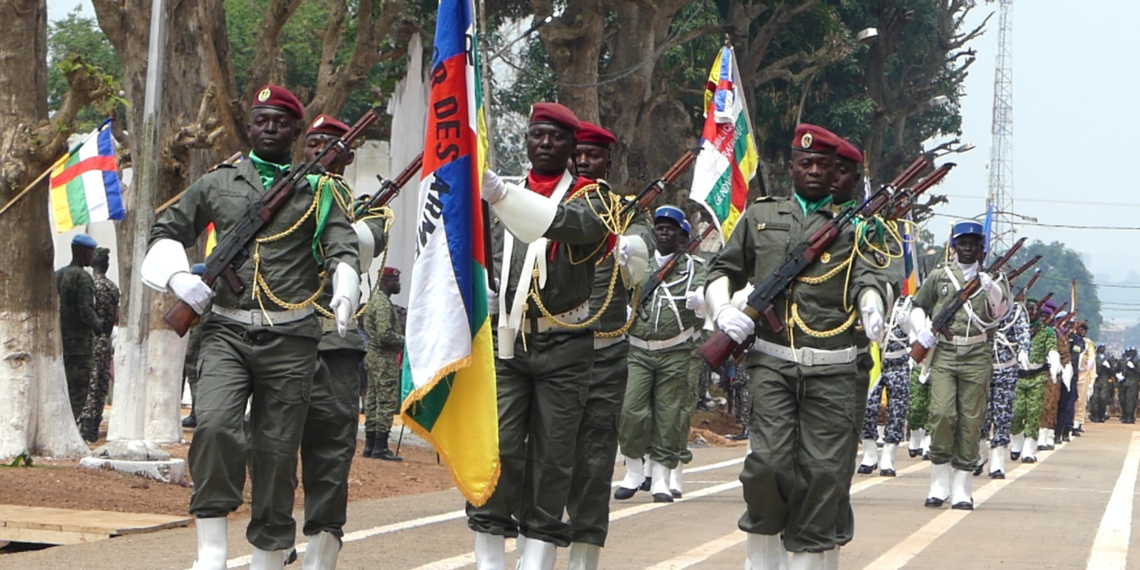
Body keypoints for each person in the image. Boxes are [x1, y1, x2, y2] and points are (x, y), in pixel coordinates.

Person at [140, 85, 360, 570]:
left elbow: (344, 244)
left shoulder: (320, 189)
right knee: (216, 426)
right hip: (225, 331)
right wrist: (179, 276)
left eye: (281, 122)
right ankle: (212, 552)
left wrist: (346, 281)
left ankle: (267, 553)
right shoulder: (218, 181)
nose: (270, 128)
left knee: (276, 451)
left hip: (292, 336)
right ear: (249, 125)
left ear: (296, 131)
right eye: (261, 120)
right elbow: (165, 230)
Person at [705, 124, 894, 569]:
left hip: (834, 366)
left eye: (823, 166)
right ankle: (762, 556)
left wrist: (872, 305)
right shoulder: (760, 216)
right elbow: (722, 268)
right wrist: (722, 311)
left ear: (835, 174)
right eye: (804, 163)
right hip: (772, 363)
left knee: (824, 472)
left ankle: (809, 559)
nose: (813, 171)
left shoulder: (858, 228)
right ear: (788, 167)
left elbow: (874, 277)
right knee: (768, 464)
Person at [469, 103, 619, 570]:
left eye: (556, 137)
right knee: (500, 448)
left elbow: (576, 228)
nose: (545, 144)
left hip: (565, 344)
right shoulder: (500, 191)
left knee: (555, 457)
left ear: (573, 148)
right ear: (527, 141)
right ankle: (491, 555)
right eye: (538, 135)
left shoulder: (592, 197)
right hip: (507, 340)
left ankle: (536, 560)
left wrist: (500, 197)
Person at [295, 114, 392, 569]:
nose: (319, 152)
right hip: (281, 337)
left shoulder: (367, 210)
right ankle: (273, 538)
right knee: (269, 446)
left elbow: (358, 244)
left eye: (330, 145)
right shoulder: (281, 199)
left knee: (331, 450)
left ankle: (322, 548)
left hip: (333, 345)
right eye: (312, 144)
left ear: (347, 155)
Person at [563, 121, 653, 570]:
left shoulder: (625, 210)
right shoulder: (549, 203)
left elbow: (645, 248)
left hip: (605, 350)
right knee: (545, 452)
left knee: (595, 457)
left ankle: (583, 556)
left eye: (592, 156)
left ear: (608, 163)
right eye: (577, 154)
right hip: (553, 349)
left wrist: (630, 248)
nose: (582, 161)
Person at [911, 220, 1008, 510]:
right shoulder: (940, 276)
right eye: (962, 243)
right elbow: (917, 304)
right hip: (943, 353)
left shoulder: (994, 279)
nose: (968, 249)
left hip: (976, 354)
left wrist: (990, 289)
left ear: (982, 248)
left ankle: (962, 486)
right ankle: (938, 481)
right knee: (941, 413)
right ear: (954, 247)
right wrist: (921, 330)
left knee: (970, 419)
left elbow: (1001, 311)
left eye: (973, 244)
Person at [613, 205, 706, 503]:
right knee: (631, 411)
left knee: (669, 416)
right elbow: (621, 290)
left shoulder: (695, 268)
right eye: (660, 227)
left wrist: (701, 304)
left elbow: (708, 307)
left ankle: (663, 479)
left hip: (675, 351)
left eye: (671, 228)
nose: (664, 232)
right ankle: (634, 470)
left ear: (681, 236)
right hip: (639, 350)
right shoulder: (639, 263)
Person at [858, 296, 914, 477]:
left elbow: (916, 333)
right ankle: (870, 452)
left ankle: (888, 456)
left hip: (898, 362)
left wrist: (907, 323)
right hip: (873, 362)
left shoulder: (906, 304)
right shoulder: (870, 300)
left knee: (897, 411)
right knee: (867, 407)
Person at [981, 287, 1030, 479]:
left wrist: (1024, 350)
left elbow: (1023, 333)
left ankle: (998, 460)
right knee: (978, 414)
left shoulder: (1015, 312)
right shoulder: (979, 308)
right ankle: (979, 452)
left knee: (1002, 415)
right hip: (981, 369)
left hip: (1006, 369)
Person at [56, 233, 102, 423]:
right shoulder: (83, 278)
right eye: (91, 253)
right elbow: (85, 310)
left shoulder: (58, 274)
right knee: (78, 390)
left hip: (60, 342)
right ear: (83, 253)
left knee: (61, 386)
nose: (92, 257)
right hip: (80, 346)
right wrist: (99, 326)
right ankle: (71, 425)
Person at [1010, 300, 1060, 463]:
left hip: (1038, 375)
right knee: (1017, 411)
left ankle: (1029, 449)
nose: (1031, 314)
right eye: (1028, 311)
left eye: (1033, 311)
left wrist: (1054, 361)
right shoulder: (1015, 330)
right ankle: (1016, 440)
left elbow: (1052, 347)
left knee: (1034, 412)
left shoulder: (1047, 332)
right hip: (1018, 375)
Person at [362, 267, 405, 461]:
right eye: (396, 281)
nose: (399, 285)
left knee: (372, 401)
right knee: (385, 401)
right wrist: (406, 342)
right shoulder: (383, 305)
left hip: (373, 357)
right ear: (387, 282)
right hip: (383, 358)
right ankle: (380, 446)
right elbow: (384, 334)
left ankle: (370, 445)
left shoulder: (375, 300)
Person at [78, 247, 120, 442]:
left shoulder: (90, 285)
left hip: (90, 340)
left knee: (88, 382)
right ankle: (94, 424)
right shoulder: (113, 287)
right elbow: (116, 315)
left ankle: (85, 424)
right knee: (100, 383)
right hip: (106, 339)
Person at [182, 263, 208, 429]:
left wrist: (190, 347)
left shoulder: (200, 296)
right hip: (204, 343)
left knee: (195, 379)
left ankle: (197, 414)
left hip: (199, 345)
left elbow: (198, 326)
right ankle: (196, 413)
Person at [1073, 324, 1095, 434]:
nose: (1083, 331)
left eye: (1085, 330)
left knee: (1081, 400)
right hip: (1072, 373)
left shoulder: (1088, 343)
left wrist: (1091, 381)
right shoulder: (1071, 339)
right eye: (1081, 329)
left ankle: (1077, 423)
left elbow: (1092, 360)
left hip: (1083, 374)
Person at [1089, 343, 1115, 423]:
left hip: (1104, 380)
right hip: (1096, 379)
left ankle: (1102, 415)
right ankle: (1095, 415)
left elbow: (1113, 371)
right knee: (1095, 398)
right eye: (1101, 347)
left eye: (1103, 347)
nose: (1102, 349)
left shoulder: (1108, 358)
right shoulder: (1094, 357)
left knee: (1103, 398)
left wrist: (1109, 367)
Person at [1119, 346, 1140, 424]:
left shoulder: (1137, 361)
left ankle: (1130, 416)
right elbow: (1116, 369)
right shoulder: (1123, 360)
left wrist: (1133, 368)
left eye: (1132, 352)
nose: (1131, 353)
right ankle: (1124, 415)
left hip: (1132, 383)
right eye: (1129, 352)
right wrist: (1118, 375)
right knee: (1122, 400)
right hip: (1123, 383)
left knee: (1130, 401)